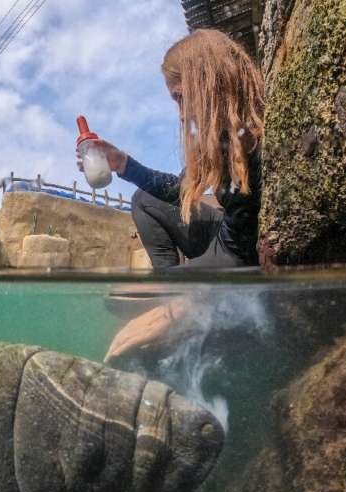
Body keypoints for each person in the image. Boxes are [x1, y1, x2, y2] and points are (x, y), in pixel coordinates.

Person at [78, 29, 266, 363]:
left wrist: (178, 308)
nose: (180, 114)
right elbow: (180, 193)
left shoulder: (254, 140)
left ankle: (173, 293)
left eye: (180, 98)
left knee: (131, 304)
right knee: (143, 201)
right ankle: (167, 280)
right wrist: (123, 164)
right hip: (224, 237)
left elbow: (241, 250)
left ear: (207, 84)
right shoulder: (226, 139)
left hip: (237, 253)